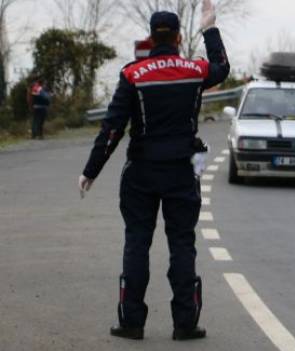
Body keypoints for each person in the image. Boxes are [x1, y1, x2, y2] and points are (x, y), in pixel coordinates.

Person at [77, 0, 229, 341]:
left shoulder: (133, 74)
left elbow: (113, 127)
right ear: (177, 38)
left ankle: (131, 322)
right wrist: (209, 28)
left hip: (141, 173)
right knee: (182, 243)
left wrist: (91, 170)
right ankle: (185, 323)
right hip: (181, 171)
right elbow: (221, 67)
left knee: (137, 243)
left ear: (150, 37)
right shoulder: (194, 71)